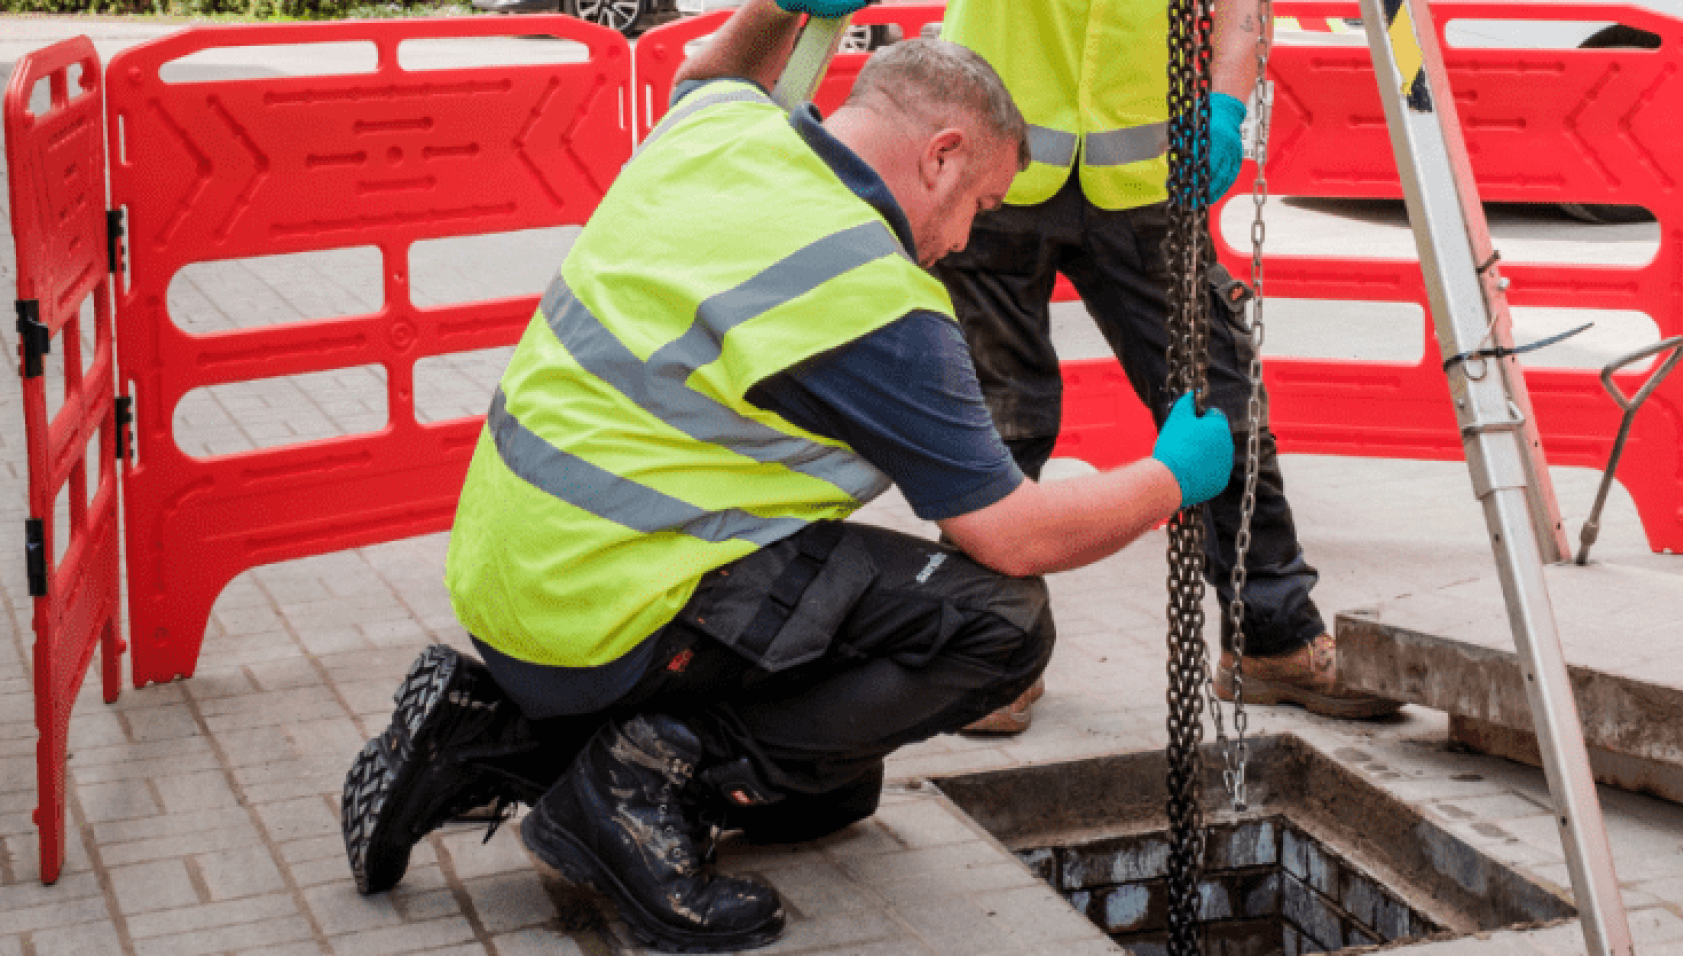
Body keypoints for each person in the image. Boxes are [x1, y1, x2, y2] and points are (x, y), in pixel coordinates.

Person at [339, 2, 1233, 952]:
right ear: (939, 156)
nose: (970, 238)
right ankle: (632, 790)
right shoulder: (873, 295)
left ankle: (489, 736)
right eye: (981, 201)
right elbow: (1013, 533)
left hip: (514, 586)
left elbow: (709, 72)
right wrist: (1167, 480)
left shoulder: (724, 131)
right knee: (999, 624)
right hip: (608, 610)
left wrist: (779, 7)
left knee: (833, 784)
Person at [936, 0, 1402, 734]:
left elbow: (1240, 8)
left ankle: (1270, 637)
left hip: (1140, 175)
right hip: (996, 160)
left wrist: (1223, 103)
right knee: (1000, 417)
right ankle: (990, 653)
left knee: (1221, 407)